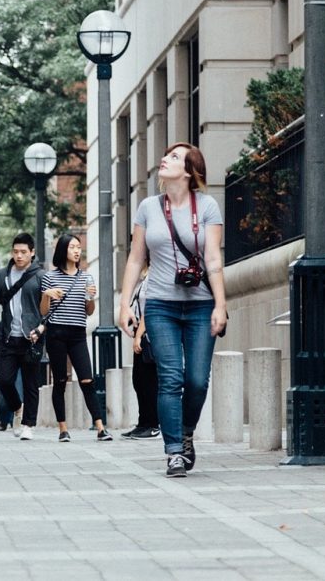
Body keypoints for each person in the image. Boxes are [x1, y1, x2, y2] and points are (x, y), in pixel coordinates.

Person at [118, 142, 228, 478]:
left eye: (175, 157)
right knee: (170, 378)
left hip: (200, 305)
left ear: (191, 170)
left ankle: (185, 432)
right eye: (166, 154)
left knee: (196, 381)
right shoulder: (148, 207)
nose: (165, 159)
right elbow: (136, 258)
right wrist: (124, 303)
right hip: (160, 305)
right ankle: (174, 452)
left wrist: (221, 305)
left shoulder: (207, 206)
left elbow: (212, 258)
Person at [37, 234, 112, 442]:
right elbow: (44, 312)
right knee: (60, 380)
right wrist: (47, 294)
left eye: (79, 247)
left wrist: (91, 297)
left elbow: (89, 311)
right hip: (56, 333)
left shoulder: (86, 277)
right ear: (63, 250)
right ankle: (63, 429)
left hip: (78, 333)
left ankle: (100, 427)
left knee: (87, 379)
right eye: (72, 247)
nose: (77, 251)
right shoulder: (50, 277)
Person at [0, 233, 45, 441]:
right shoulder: (1, 276)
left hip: (31, 338)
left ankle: (28, 424)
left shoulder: (41, 276)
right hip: (8, 337)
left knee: (30, 383)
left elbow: (48, 311)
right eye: (16, 252)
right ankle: (18, 408)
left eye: (23, 252)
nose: (19, 256)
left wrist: (41, 329)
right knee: (4, 380)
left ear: (32, 253)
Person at [122, 268, 160, 440]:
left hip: (149, 332)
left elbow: (151, 306)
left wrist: (139, 335)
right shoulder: (144, 274)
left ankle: (153, 425)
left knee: (149, 380)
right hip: (141, 330)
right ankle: (143, 423)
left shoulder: (156, 273)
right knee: (139, 380)